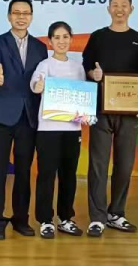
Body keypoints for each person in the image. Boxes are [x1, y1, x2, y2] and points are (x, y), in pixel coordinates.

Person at [82, 0, 138, 237]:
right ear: (108, 8)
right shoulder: (98, 37)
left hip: (129, 112)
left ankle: (116, 213)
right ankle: (97, 217)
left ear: (131, 9)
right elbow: (87, 67)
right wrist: (94, 74)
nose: (119, 9)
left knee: (125, 164)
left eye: (124, 5)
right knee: (98, 164)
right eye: (115, 4)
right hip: (101, 109)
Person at [0, 0, 46, 240]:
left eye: (25, 13)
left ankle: (21, 219)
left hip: (28, 116)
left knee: (23, 171)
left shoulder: (40, 47)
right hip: (1, 114)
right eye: (16, 13)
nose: (21, 17)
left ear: (31, 16)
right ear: (9, 16)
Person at [30, 22, 87, 239]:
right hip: (48, 130)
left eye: (65, 37)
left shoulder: (78, 67)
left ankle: (65, 218)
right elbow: (35, 85)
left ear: (71, 39)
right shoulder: (44, 65)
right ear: (50, 41)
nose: (61, 41)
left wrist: (85, 115)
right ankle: (45, 220)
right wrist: (38, 86)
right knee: (46, 175)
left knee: (69, 175)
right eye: (57, 37)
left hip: (72, 130)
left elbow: (83, 97)